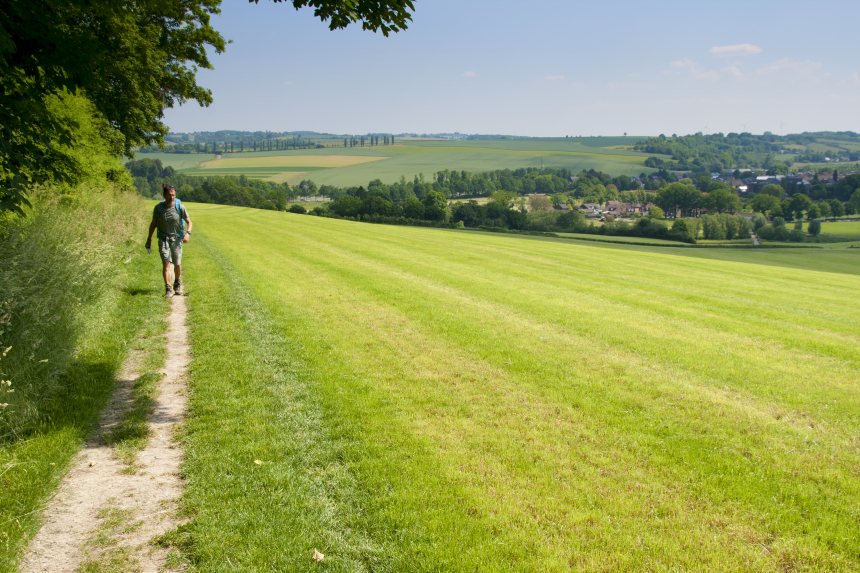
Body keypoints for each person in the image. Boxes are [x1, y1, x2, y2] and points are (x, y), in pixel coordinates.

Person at [145, 184, 192, 297]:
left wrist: (188, 234)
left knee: (177, 264)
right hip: (163, 239)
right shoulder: (158, 208)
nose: (172, 197)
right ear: (164, 195)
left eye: (174, 195)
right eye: (170, 195)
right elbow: (153, 224)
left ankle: (177, 282)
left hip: (177, 239)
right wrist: (149, 239)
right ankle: (168, 288)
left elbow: (189, 222)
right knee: (166, 264)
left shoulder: (179, 206)